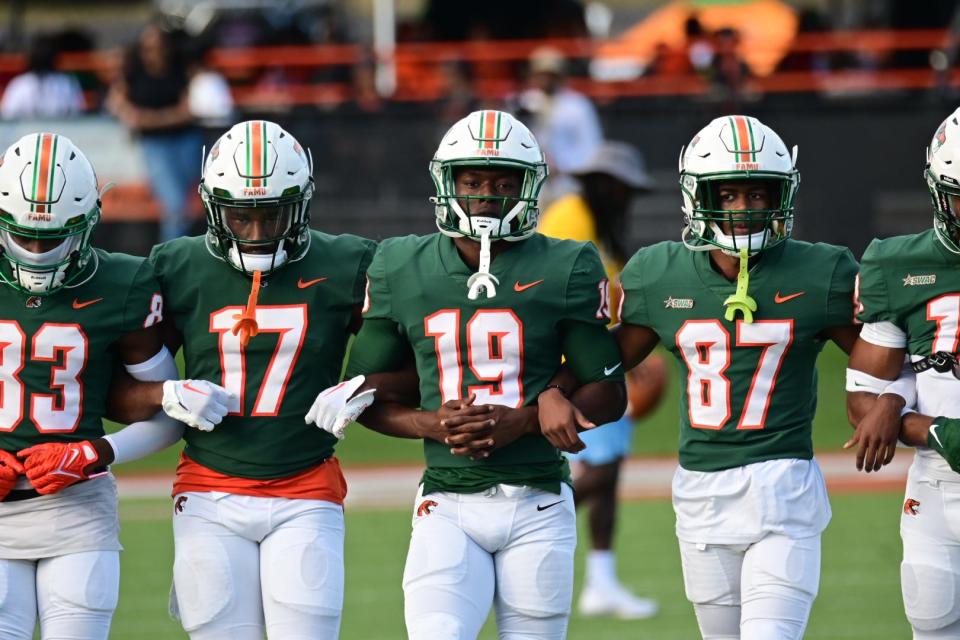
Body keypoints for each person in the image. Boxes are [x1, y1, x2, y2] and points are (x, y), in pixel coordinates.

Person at [546, 115, 860, 639]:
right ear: (698, 195)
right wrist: (556, 390)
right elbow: (606, 357)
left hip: (785, 487)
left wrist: (888, 403)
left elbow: (880, 355)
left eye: (759, 194)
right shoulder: (655, 272)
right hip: (701, 493)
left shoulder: (821, 271)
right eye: (728, 194)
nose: (743, 208)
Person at [326, 109, 626, 639]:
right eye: (473, 181)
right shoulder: (400, 263)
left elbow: (608, 387)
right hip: (447, 499)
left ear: (528, 187)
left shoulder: (566, 264)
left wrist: (528, 418)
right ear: (448, 183)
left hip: (538, 499)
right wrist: (432, 424)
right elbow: (367, 393)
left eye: (503, 182)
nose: (487, 194)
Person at [139, 119, 375, 639]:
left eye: (272, 216)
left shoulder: (347, 262)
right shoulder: (177, 264)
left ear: (302, 203)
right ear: (211, 205)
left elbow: (410, 350)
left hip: (306, 483)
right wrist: (164, 391)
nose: (256, 232)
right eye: (239, 217)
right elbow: (122, 380)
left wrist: (367, 382)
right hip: (207, 488)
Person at [0, 132, 229, 639]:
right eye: (25, 236)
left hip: (76, 511)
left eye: (54, 236)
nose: (38, 253)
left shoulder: (121, 284)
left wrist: (92, 452)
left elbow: (168, 413)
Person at [845, 108, 960, 639]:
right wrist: (927, 424)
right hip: (938, 483)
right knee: (932, 621)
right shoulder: (897, 266)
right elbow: (863, 402)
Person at [538, 140, 661, 619]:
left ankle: (602, 581)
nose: (629, 199)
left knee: (610, 475)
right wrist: (581, 366)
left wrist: (626, 350)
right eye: (624, 189)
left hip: (598, 365)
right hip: (580, 371)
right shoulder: (572, 219)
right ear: (607, 186)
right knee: (603, 471)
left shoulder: (594, 223)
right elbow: (558, 300)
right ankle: (531, 520)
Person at [107, 24, 202, 241]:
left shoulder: (180, 69)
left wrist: (149, 119)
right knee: (176, 206)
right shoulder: (133, 73)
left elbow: (188, 111)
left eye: (159, 47)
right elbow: (119, 105)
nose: (155, 53)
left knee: (190, 200)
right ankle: (171, 259)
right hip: (155, 146)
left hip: (185, 140)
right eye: (149, 48)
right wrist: (162, 118)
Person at [514, 46, 603, 204]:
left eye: (551, 75)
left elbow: (591, 147)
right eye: (541, 75)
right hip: (534, 184)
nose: (545, 80)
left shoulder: (578, 105)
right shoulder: (525, 102)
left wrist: (563, 168)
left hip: (568, 184)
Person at [0, 34, 84, 120]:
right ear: (55, 58)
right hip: (33, 131)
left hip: (51, 131)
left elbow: (7, 116)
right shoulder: (67, 83)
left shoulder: (20, 84)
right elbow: (76, 115)